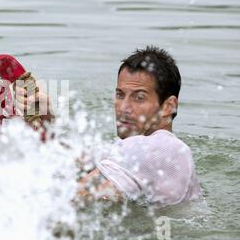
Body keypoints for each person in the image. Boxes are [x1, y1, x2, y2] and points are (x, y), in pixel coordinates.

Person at [14, 46, 201, 209]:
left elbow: (63, 201)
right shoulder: (135, 149)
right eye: (120, 95)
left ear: (168, 106)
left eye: (139, 97)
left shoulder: (158, 148)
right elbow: (60, 159)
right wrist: (45, 122)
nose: (124, 108)